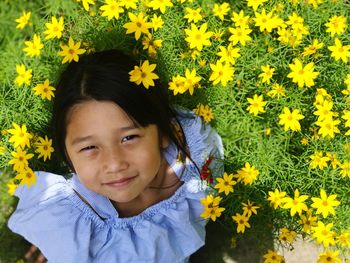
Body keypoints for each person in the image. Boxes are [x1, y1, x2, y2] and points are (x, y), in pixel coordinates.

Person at [8, 50, 224, 262]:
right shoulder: (69, 221)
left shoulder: (195, 159)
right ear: (67, 156)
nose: (114, 164)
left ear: (162, 133)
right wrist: (60, 241)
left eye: (129, 138)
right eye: (90, 147)